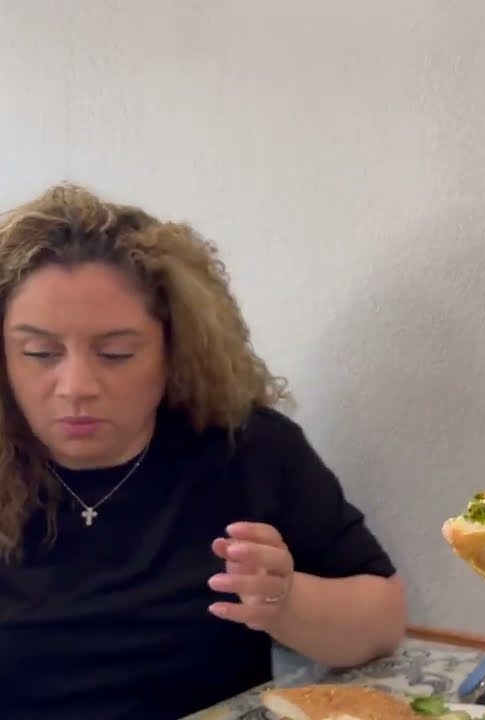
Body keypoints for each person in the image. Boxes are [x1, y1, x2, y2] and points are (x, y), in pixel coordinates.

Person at [0, 184, 408, 720]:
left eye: (116, 353)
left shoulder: (246, 448)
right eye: (39, 352)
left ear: (175, 351)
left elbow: (382, 622)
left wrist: (285, 602)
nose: (76, 386)